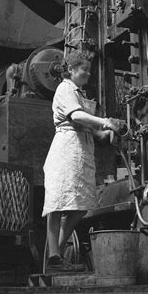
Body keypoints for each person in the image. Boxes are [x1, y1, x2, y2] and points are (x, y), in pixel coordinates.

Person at [42, 51, 126, 272]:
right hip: (66, 149)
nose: (88, 73)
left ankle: (55, 255)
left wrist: (103, 133)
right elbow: (76, 117)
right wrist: (105, 121)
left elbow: (87, 127)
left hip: (80, 149)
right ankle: (54, 256)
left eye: (89, 70)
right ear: (71, 70)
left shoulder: (78, 92)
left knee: (79, 205)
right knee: (58, 203)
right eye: (84, 70)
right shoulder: (65, 89)